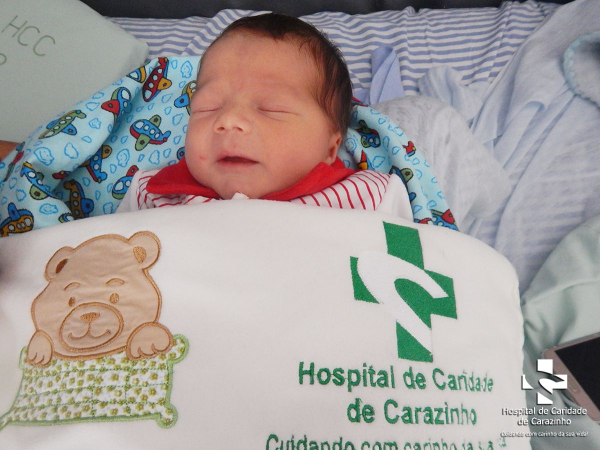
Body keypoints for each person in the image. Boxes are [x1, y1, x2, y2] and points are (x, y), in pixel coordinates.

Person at [117, 13, 412, 217]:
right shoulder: (152, 195)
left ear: (330, 148)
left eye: (271, 108)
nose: (228, 121)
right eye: (208, 107)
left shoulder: (369, 198)